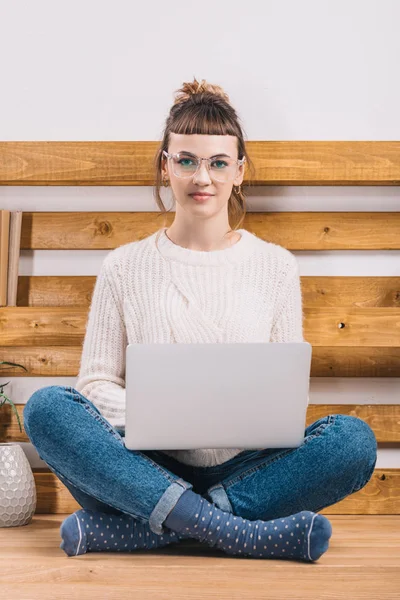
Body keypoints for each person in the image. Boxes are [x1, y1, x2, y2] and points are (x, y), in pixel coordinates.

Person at [23, 77, 377, 561]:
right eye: (186, 161)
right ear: (166, 167)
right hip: (141, 470)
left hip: (247, 471)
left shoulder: (275, 267)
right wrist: (160, 418)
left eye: (217, 163)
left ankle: (161, 528)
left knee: (352, 443)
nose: (202, 178)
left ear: (239, 171)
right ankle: (236, 531)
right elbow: (96, 384)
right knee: (47, 408)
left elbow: (286, 394)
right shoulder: (124, 266)